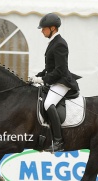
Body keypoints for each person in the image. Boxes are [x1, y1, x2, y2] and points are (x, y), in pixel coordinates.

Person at [30, 13, 80, 152]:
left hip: (62, 82)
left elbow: (60, 70)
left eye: (44, 28)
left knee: (48, 104)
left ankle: (58, 141)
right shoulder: (53, 42)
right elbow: (50, 67)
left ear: (52, 28)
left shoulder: (60, 44)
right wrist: (38, 75)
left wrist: (44, 79)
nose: (42, 31)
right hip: (54, 81)